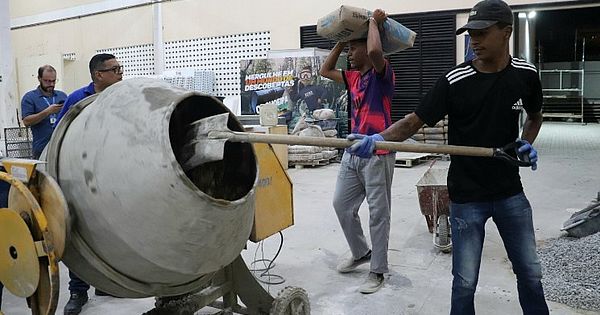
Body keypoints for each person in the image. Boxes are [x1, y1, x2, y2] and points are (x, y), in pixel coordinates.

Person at [348, 0, 549, 313]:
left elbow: (535, 115)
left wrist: (526, 142)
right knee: (465, 280)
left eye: (482, 32)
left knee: (530, 273)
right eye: (470, 33)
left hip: (510, 191)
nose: (474, 40)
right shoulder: (455, 80)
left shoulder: (525, 74)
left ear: (506, 32)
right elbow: (413, 121)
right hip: (466, 196)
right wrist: (377, 140)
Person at [319, 8, 396, 294]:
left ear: (366, 47)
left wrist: (373, 22)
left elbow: (377, 52)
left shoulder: (383, 75)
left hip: (378, 150)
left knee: (379, 213)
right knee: (342, 204)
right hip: (352, 150)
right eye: (348, 50)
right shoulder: (352, 78)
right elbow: (324, 70)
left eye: (353, 48)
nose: (349, 54)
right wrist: (343, 38)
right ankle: (361, 251)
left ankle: (377, 270)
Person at [60, 53, 123, 315]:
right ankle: (78, 291)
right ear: (98, 75)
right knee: (80, 235)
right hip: (79, 175)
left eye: (121, 68)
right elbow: (60, 134)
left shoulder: (121, 96)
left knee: (106, 232)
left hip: (109, 175)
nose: (121, 73)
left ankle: (103, 282)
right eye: (115, 69)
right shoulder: (78, 99)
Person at [21, 65, 67, 158]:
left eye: (53, 81)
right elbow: (26, 121)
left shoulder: (62, 96)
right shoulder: (30, 97)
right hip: (41, 150)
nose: (51, 84)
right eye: (47, 81)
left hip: (62, 148)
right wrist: (47, 112)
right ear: (39, 78)